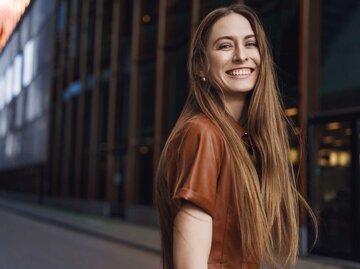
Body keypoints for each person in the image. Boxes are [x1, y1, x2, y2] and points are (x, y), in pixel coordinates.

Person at [155, 3, 316, 269]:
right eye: (225, 46)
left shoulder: (242, 140)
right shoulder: (204, 133)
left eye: (250, 44)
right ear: (200, 66)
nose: (241, 56)